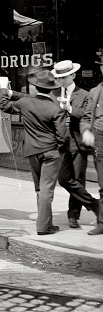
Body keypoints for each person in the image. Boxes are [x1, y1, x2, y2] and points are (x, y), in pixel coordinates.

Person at [0, 70, 101, 236]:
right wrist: (59, 149)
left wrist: (3, 89)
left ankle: (47, 222)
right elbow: (63, 136)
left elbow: (3, 105)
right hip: (51, 152)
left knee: (39, 189)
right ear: (50, 88)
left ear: (34, 87)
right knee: (47, 189)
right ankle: (44, 226)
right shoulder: (55, 108)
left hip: (32, 151)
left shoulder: (25, 103)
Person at [53, 60, 94, 229]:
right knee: (63, 179)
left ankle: (73, 214)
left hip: (77, 142)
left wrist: (69, 108)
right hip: (60, 142)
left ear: (73, 75)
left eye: (64, 77)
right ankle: (93, 203)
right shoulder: (53, 93)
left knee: (78, 178)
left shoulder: (84, 94)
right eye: (59, 77)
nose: (61, 80)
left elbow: (87, 115)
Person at [79, 51, 103, 234]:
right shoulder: (95, 92)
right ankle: (102, 222)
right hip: (100, 142)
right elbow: (86, 117)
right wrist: (86, 130)